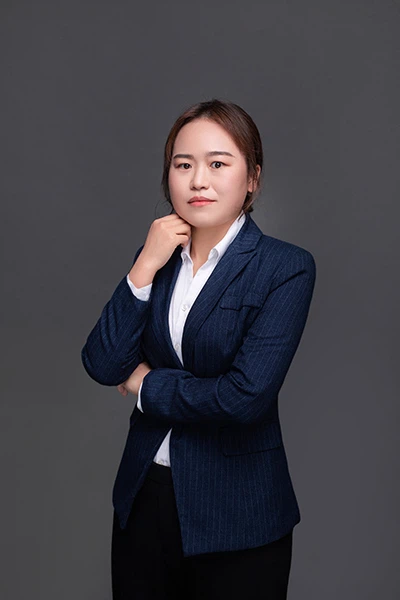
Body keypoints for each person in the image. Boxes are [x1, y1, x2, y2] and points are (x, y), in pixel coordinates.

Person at [81, 98, 316, 599]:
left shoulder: (285, 267)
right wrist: (144, 265)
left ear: (252, 178)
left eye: (218, 164)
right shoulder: (156, 257)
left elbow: (243, 398)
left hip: (239, 513)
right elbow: (102, 362)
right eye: (183, 165)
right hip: (145, 499)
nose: (198, 181)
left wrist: (146, 385)